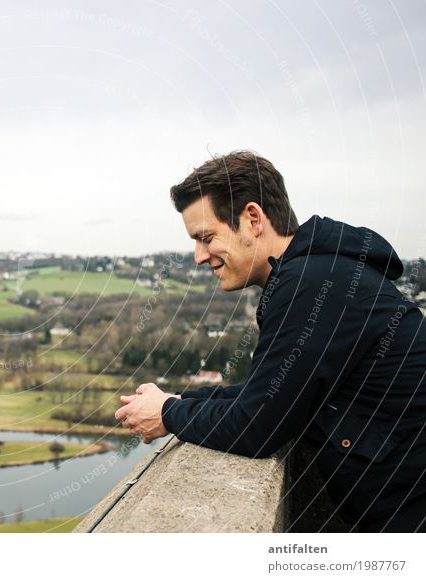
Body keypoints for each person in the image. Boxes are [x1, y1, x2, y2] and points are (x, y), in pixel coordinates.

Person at [115, 151, 426, 532]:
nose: (198, 257)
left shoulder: (313, 284)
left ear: (253, 218)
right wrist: (182, 401)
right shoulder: (316, 272)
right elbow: (269, 393)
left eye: (206, 237)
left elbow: (256, 427)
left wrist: (167, 414)